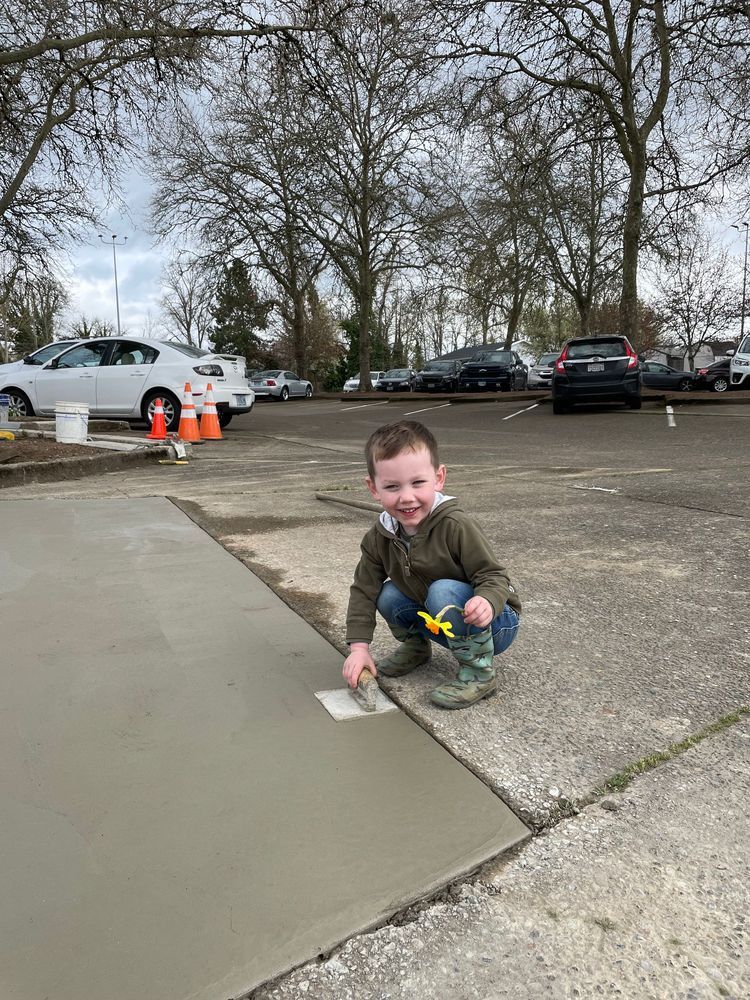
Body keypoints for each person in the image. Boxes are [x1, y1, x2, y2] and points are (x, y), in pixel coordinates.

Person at [343, 420, 521, 709]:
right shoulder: (380, 536)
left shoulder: (455, 525)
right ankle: (417, 648)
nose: (406, 497)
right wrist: (358, 648)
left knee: (442, 591)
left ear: (439, 478)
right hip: (440, 621)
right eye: (391, 486)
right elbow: (363, 590)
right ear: (373, 488)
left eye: (418, 482)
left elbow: (493, 575)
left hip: (494, 623)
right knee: (386, 594)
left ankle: (480, 673)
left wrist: (487, 601)